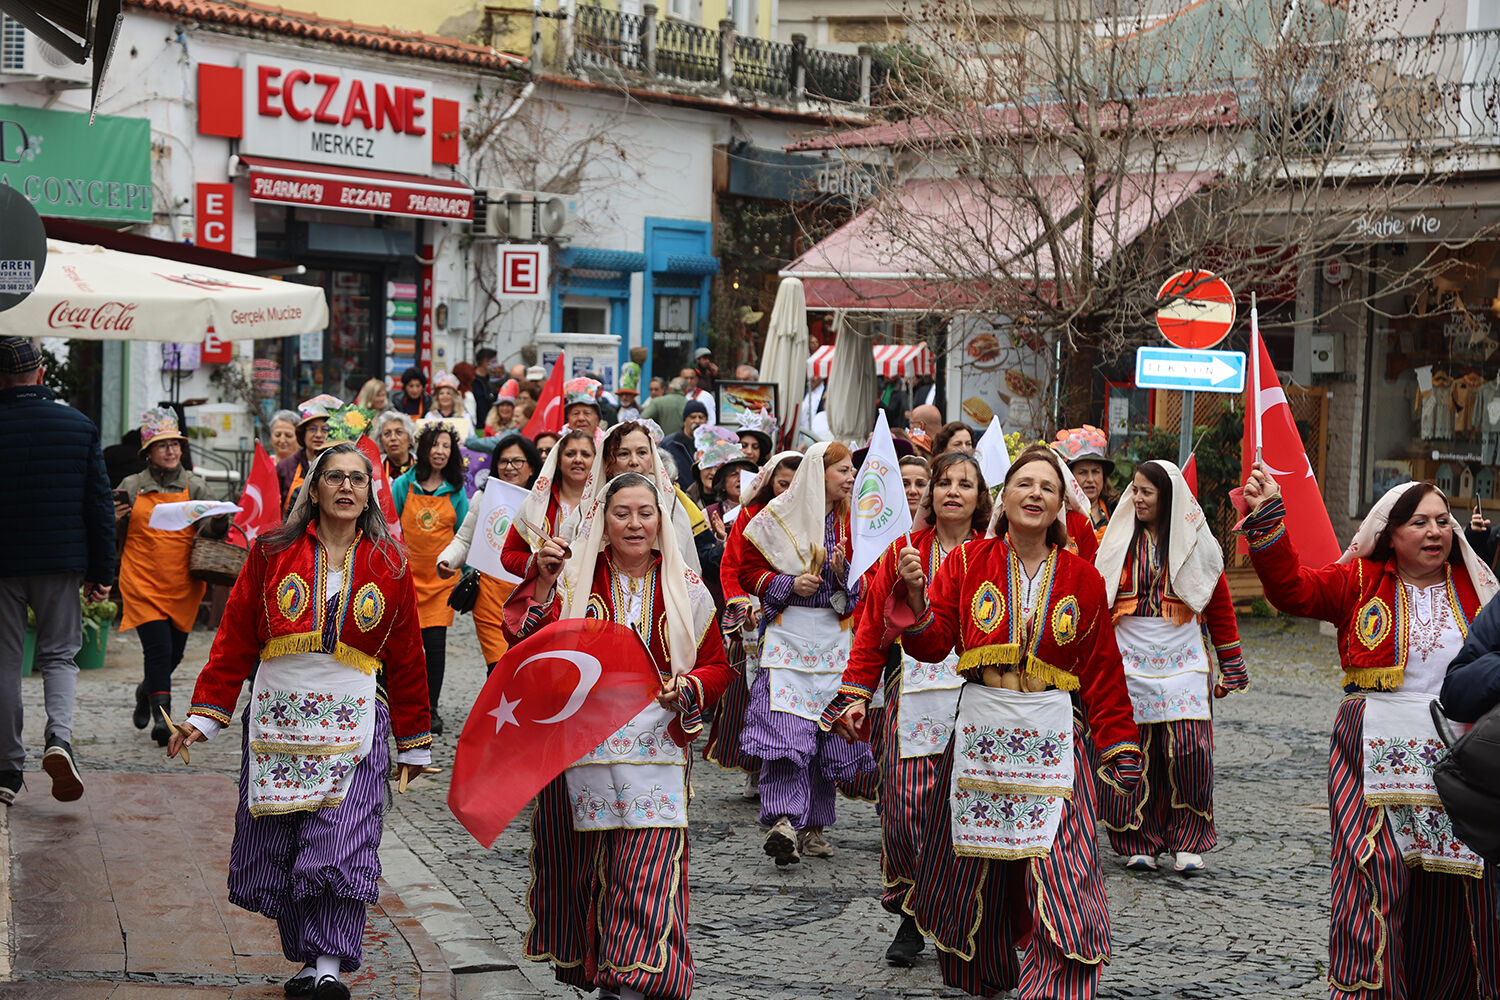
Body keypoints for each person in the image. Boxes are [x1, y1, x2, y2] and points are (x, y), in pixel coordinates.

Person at [170, 442, 433, 1000]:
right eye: (333, 477)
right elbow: (236, 633)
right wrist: (204, 715)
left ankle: (330, 966)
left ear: (369, 493)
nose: (345, 488)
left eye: (356, 480)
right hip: (278, 724)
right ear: (312, 489)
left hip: (356, 723)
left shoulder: (389, 562)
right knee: (288, 846)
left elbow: (408, 654)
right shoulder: (271, 549)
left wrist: (413, 742)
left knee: (341, 845)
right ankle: (310, 961)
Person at [887, 445, 1142, 997]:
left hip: (1051, 736)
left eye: (1048, 488)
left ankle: (1056, 982)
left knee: (1063, 868)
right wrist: (913, 596)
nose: (1035, 494)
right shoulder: (966, 562)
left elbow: (1102, 670)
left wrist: (1119, 743)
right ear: (1005, 497)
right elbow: (933, 645)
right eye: (1024, 484)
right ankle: (991, 971)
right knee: (981, 872)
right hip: (981, 735)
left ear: (1060, 507)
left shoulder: (1083, 577)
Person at [1242, 468, 1500, 998]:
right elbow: (1293, 590)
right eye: (1419, 522)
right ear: (1389, 533)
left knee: (1457, 887)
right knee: (1372, 873)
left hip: (1459, 758)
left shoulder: (1478, 591)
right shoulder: (1359, 583)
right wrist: (1269, 514)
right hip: (1371, 755)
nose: (1435, 532)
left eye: (1443, 522)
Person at [503, 472, 735, 1000]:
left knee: (647, 869)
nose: (634, 524)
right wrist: (541, 583)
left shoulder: (688, 588)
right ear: (602, 522)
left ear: (662, 522)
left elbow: (718, 666)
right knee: (589, 872)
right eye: (622, 513)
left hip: (656, 755)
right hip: (579, 754)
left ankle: (635, 979)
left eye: (645, 513)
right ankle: (606, 969)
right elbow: (522, 642)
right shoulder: (573, 580)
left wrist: (692, 685)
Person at [824, 452, 990, 966]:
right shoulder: (902, 552)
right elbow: (872, 630)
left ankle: (968, 917)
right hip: (911, 696)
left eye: (966, 483)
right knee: (903, 811)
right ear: (929, 495)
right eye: (944, 483)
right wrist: (855, 693)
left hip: (979, 698)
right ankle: (911, 915)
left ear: (982, 498)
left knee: (971, 809)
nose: (953, 491)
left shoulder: (995, 556)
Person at [1094, 459, 1246, 874]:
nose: (1137, 498)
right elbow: (1097, 596)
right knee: (1135, 751)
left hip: (1183, 657)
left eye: (1147, 492)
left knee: (1189, 752)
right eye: (1135, 491)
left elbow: (1217, 602)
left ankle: (1187, 839)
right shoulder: (1115, 539)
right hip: (1129, 657)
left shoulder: (1198, 542)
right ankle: (1138, 838)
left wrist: (1231, 662)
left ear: (1168, 497)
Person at [739, 442, 874, 864]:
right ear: (820, 473)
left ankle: (814, 826)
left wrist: (842, 575)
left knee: (826, 733)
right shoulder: (779, 516)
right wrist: (787, 585)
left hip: (835, 642)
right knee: (786, 733)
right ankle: (783, 821)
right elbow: (747, 569)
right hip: (788, 639)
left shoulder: (858, 522)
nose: (851, 477)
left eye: (852, 470)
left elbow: (868, 583)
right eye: (843, 469)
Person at [0, 337, 115, 805]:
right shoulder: (78, 425)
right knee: (60, 656)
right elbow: (99, 506)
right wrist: (102, 571)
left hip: (4, 564)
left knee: (5, 661)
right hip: (62, 562)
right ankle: (59, 739)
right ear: (42, 375)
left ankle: (7, 770)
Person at [114, 406, 229, 747]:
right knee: (159, 649)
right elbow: (113, 531)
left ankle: (145, 689)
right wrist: (115, 517)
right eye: (163, 445)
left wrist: (220, 520)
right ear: (148, 451)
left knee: (174, 652)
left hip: (183, 585)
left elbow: (212, 529)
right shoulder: (131, 486)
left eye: (175, 444)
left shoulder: (196, 484)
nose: (171, 450)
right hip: (141, 581)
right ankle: (163, 719)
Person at [449, 430, 596, 672]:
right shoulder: (536, 503)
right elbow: (508, 555)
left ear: (595, 461)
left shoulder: (606, 505)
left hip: (590, 608)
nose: (577, 459)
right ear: (558, 460)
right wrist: (538, 563)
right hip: (542, 608)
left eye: (585, 454)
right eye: (570, 453)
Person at [704, 452, 801, 798]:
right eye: (782, 483)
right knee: (751, 695)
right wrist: (741, 602)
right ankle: (754, 766)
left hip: (799, 615)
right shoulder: (750, 515)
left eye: (795, 484)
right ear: (770, 483)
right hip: (754, 614)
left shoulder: (814, 516)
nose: (788, 491)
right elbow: (731, 566)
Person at [392, 424, 469, 736]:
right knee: (402, 648)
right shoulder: (402, 485)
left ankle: (431, 709)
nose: (440, 451)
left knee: (435, 648)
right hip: (406, 580)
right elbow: (390, 528)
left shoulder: (457, 490)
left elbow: (464, 534)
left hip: (441, 584)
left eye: (446, 446)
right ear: (423, 449)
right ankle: (397, 706)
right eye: (434, 445)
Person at [277, 395, 342, 512]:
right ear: (303, 434)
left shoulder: (341, 467)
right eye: (312, 429)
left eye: (325, 430)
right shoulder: (284, 467)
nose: (318, 435)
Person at [1052, 425, 1114, 539]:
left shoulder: (1116, 509)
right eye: (1083, 472)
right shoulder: (1059, 515)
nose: (1090, 479)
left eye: (1095, 472)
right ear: (1070, 477)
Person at [373, 410, 416, 482]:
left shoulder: (420, 465)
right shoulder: (374, 469)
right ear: (381, 440)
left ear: (410, 438)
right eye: (387, 433)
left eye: (399, 432)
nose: (393, 438)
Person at [563, 377, 604, 443]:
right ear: (568, 419)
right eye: (575, 413)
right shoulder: (557, 444)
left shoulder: (608, 445)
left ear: (597, 419)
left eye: (587, 413)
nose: (581, 418)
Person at [470, 348, 498, 428]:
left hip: (491, 424)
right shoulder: (472, 379)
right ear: (485, 362)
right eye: (494, 362)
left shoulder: (493, 380)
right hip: (477, 424)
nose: (496, 365)